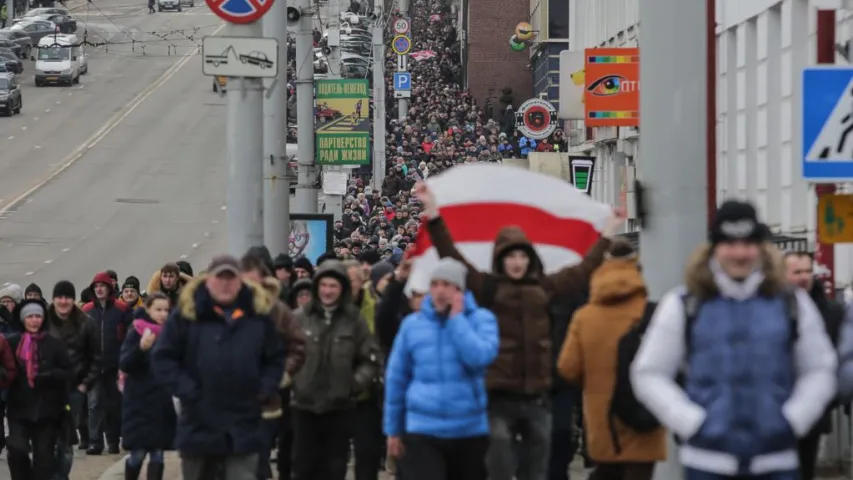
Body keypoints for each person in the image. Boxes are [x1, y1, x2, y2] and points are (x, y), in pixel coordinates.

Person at [414, 182, 625, 480]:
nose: (516, 262)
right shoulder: (488, 287)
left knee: (537, 464)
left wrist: (608, 233)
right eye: (511, 256)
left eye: (521, 256)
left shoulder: (545, 288)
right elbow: (452, 254)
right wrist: (433, 214)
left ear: (529, 258)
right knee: (499, 453)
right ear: (501, 258)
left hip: (537, 394)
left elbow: (583, 270)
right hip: (498, 395)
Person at [631, 200, 837, 480]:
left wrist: (794, 420)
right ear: (714, 247)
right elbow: (649, 373)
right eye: (729, 243)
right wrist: (689, 422)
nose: (740, 253)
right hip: (707, 462)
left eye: (749, 243)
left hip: (776, 460)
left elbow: (820, 369)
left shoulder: (792, 304)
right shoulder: (684, 304)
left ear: (761, 248)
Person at [151, 254, 285, 480]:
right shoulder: (187, 315)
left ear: (240, 281)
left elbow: (275, 358)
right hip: (199, 424)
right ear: (207, 281)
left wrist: (262, 390)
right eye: (219, 278)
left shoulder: (257, 317)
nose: (225, 284)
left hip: (244, 424)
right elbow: (163, 358)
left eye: (230, 278)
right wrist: (188, 390)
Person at [557, 241, 664, 480]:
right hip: (644, 417)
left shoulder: (585, 317)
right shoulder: (652, 313)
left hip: (603, 421)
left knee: (607, 472)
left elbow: (567, 368)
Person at [384, 258, 498, 480]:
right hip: (422, 427)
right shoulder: (412, 325)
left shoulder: (481, 320)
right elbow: (397, 378)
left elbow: (481, 357)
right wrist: (393, 430)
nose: (440, 291)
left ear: (460, 290)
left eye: (447, 285)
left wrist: (457, 321)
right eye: (435, 285)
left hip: (468, 429)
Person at [290, 259, 381, 480]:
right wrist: (292, 379)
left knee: (334, 469)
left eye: (333, 286)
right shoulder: (300, 318)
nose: (328, 291)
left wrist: (354, 383)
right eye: (324, 285)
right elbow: (283, 352)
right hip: (305, 406)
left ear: (342, 289)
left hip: (339, 407)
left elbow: (370, 358)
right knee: (303, 468)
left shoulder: (353, 320)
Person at [783, 251, 844, 480]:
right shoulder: (767, 310)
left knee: (805, 470)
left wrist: (827, 398)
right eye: (797, 272)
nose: (804, 277)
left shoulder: (830, 313)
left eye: (808, 271)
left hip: (812, 410)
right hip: (774, 408)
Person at [6, 299, 73, 480]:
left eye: (38, 316)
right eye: (30, 316)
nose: (34, 320)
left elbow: (68, 372)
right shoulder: (11, 343)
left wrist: (51, 374)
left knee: (44, 459)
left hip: (47, 410)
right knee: (17, 451)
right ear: (23, 319)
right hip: (18, 409)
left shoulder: (54, 343)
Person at [46, 280, 102, 479]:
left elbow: (96, 358)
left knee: (64, 439)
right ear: (53, 299)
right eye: (59, 297)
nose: (63, 301)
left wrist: (85, 384)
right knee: (46, 438)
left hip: (74, 390)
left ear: (73, 300)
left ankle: (61, 475)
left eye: (67, 297)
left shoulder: (87, 323)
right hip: (46, 389)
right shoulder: (43, 321)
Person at [120, 293, 176, 480]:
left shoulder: (170, 333)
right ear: (148, 309)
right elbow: (125, 363)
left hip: (161, 401)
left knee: (158, 454)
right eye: (158, 310)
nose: (163, 314)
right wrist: (141, 349)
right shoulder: (136, 331)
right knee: (138, 454)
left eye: (166, 310)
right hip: (139, 402)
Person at [82, 271, 131, 455]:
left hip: (114, 365)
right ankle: (95, 442)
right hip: (93, 366)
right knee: (94, 404)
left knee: (113, 405)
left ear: (109, 288)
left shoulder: (121, 309)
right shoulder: (86, 311)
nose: (99, 289)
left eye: (102, 286)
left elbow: (129, 336)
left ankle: (112, 441)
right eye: (96, 287)